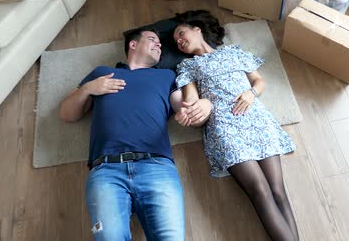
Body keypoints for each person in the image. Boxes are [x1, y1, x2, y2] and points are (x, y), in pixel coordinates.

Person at [59, 27, 211, 241]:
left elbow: (187, 109)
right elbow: (67, 114)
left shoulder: (166, 75)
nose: (159, 45)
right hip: (107, 171)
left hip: (156, 167)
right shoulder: (102, 73)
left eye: (160, 43)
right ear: (133, 44)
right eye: (152, 40)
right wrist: (88, 89)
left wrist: (201, 107)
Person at [172, 15, 300, 241]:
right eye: (176, 42)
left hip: (256, 119)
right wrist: (190, 112)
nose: (179, 41)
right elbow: (192, 103)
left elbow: (259, 82)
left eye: (181, 34)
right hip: (225, 126)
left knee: (278, 191)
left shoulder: (234, 51)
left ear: (197, 29)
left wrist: (251, 94)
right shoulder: (188, 66)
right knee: (260, 191)